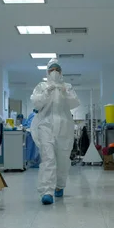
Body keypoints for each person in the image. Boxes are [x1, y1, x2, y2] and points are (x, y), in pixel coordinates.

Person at [30, 58, 80, 205]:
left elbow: (75, 103)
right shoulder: (41, 86)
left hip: (64, 126)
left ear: (61, 72)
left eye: (57, 69)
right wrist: (46, 92)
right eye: (52, 70)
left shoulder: (67, 86)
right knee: (48, 158)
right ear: (47, 71)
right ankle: (47, 191)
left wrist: (65, 93)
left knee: (63, 158)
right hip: (45, 125)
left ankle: (59, 185)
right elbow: (36, 102)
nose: (55, 72)